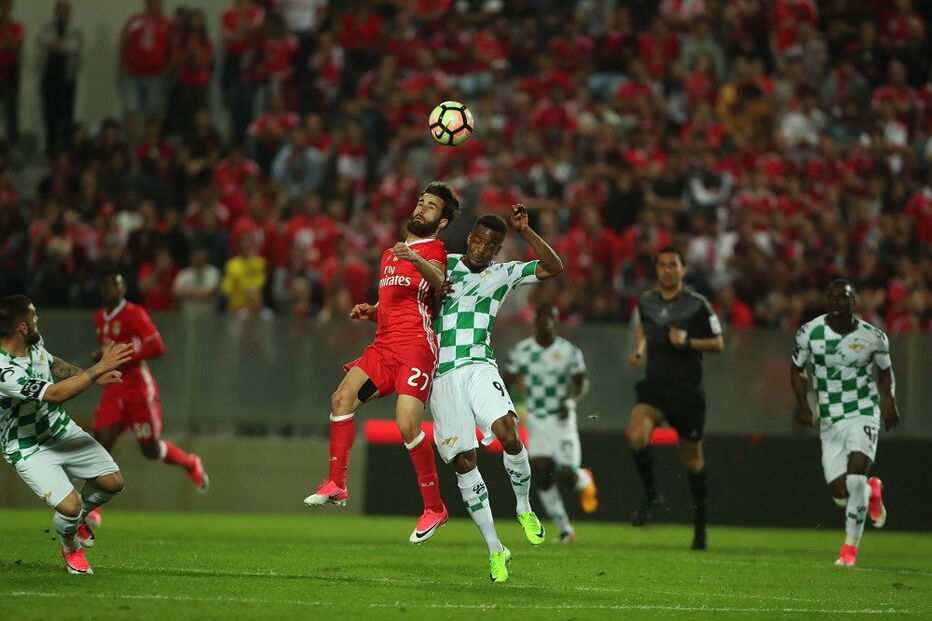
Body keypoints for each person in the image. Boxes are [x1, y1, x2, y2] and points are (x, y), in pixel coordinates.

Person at [304, 182, 460, 545]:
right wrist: (374, 310)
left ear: (441, 222)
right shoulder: (390, 253)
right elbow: (398, 300)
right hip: (383, 347)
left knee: (407, 424)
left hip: (416, 347)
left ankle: (434, 508)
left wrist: (416, 258)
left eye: (431, 207)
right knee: (341, 399)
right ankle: (337, 483)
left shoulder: (434, 249)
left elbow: (440, 281)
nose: (421, 209)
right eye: (421, 202)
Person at [429, 206, 563, 582]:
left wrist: (527, 231)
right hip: (441, 375)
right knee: (464, 461)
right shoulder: (443, 266)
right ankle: (494, 548)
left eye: (492, 245)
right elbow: (410, 303)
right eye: (479, 241)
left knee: (508, 432)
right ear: (469, 238)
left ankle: (523, 507)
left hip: (479, 365)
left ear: (498, 249)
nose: (483, 249)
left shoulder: (504, 273)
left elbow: (553, 267)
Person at [0, 294, 133, 574]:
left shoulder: (33, 344)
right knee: (70, 507)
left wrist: (93, 375)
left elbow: (51, 363)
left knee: (112, 483)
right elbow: (54, 393)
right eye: (33, 315)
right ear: (22, 327)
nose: (37, 319)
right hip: (28, 446)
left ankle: (79, 520)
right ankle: (71, 546)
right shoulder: (4, 371)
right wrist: (98, 368)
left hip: (60, 429)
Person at [790, 279, 899, 567]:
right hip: (829, 418)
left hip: (863, 410)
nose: (835, 301)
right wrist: (803, 405)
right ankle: (872, 490)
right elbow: (797, 369)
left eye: (842, 297)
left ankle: (849, 549)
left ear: (854, 303)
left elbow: (885, 372)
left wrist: (889, 400)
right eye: (831, 296)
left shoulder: (873, 336)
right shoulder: (810, 332)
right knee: (842, 495)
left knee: (855, 477)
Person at [86, 272, 208, 528]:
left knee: (149, 448)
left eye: (116, 285)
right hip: (113, 388)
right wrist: (102, 357)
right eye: (107, 285)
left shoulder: (134, 313)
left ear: (123, 289)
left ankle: (189, 463)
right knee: (101, 442)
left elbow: (157, 346)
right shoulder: (99, 317)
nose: (111, 289)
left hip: (138, 389)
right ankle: (93, 506)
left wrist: (122, 356)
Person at [627, 246, 724, 551]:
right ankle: (652, 496)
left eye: (673, 265)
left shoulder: (698, 304)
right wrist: (639, 349)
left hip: (687, 392)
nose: (668, 270)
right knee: (637, 435)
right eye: (662, 265)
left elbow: (719, 343)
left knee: (693, 462)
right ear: (657, 269)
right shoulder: (646, 300)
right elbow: (644, 325)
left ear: (683, 269)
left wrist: (689, 341)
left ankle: (700, 526)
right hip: (655, 388)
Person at [503, 302, 597, 545]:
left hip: (561, 418)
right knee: (542, 472)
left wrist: (571, 401)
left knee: (566, 475)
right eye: (542, 317)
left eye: (551, 317)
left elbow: (582, 383)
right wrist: (507, 408)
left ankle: (584, 480)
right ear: (535, 321)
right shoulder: (522, 351)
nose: (547, 322)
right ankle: (565, 529)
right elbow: (506, 380)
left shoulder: (569, 351)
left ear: (557, 322)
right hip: (537, 419)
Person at [37, 1, 83, 155]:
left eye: (65, 11)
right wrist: (58, 43)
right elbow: (42, 40)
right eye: (59, 11)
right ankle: (50, 147)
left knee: (67, 114)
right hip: (49, 77)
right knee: (50, 114)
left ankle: (65, 148)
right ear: (55, 12)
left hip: (67, 78)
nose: (62, 14)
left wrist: (56, 44)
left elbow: (73, 46)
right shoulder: (47, 27)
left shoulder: (76, 30)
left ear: (69, 13)